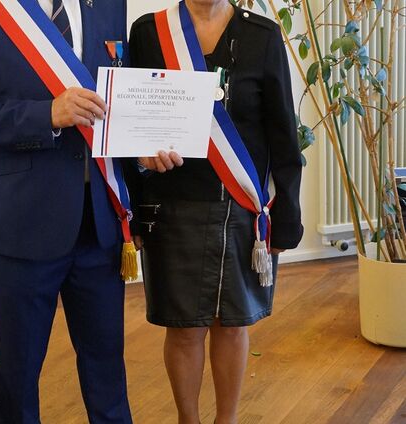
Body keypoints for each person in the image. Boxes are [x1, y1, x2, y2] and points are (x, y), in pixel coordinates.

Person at [0, 0, 133, 423]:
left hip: (99, 222)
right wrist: (46, 114)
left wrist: (149, 145)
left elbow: (119, 99)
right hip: (21, 225)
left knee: (109, 381)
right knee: (18, 384)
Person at [125, 0, 304, 423]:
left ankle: (228, 419)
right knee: (184, 328)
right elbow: (131, 119)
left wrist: (288, 217)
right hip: (171, 207)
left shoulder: (262, 35)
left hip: (241, 208)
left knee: (233, 324)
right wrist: (137, 173)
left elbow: (283, 132)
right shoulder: (149, 32)